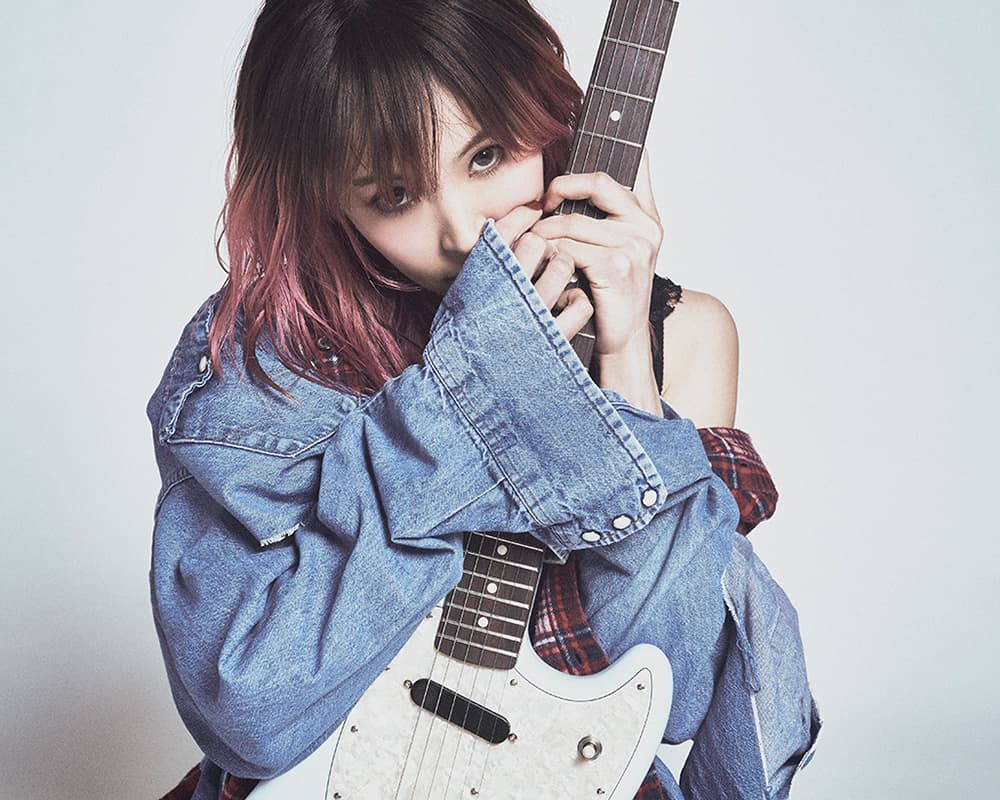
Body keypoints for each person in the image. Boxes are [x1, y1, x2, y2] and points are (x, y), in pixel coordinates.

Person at [148, 1, 820, 799]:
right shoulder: (270, 364)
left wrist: (624, 355)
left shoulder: (689, 337)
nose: (465, 233)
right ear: (327, 198)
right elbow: (249, 713)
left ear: (547, 112)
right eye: (394, 196)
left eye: (488, 156)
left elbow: (671, 687)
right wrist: (464, 395)